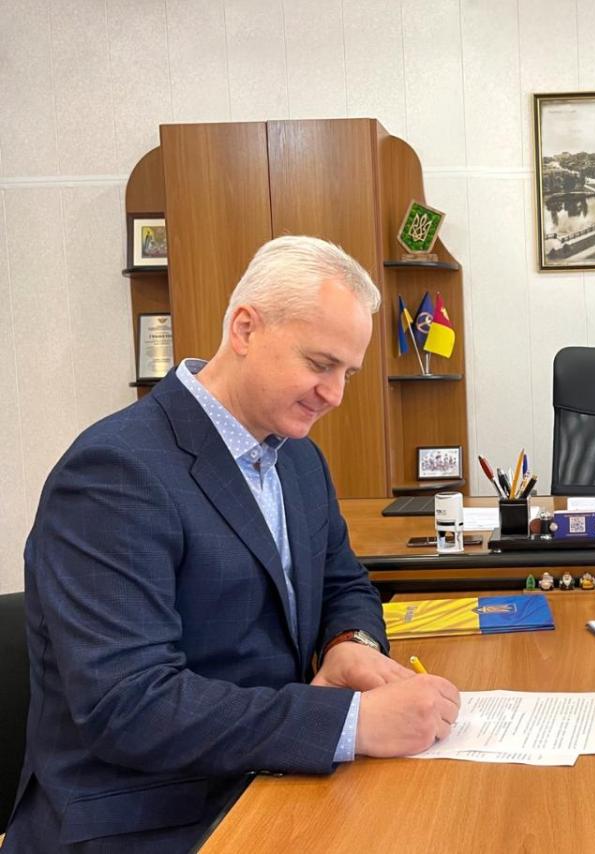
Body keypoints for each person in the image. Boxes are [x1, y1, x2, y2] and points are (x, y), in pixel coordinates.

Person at [8, 236, 461, 852]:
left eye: (347, 373)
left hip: (271, 782)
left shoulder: (299, 459)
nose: (335, 394)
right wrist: (352, 723)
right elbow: (130, 704)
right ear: (245, 328)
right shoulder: (114, 472)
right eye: (320, 364)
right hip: (151, 819)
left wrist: (349, 644)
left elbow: (344, 582)